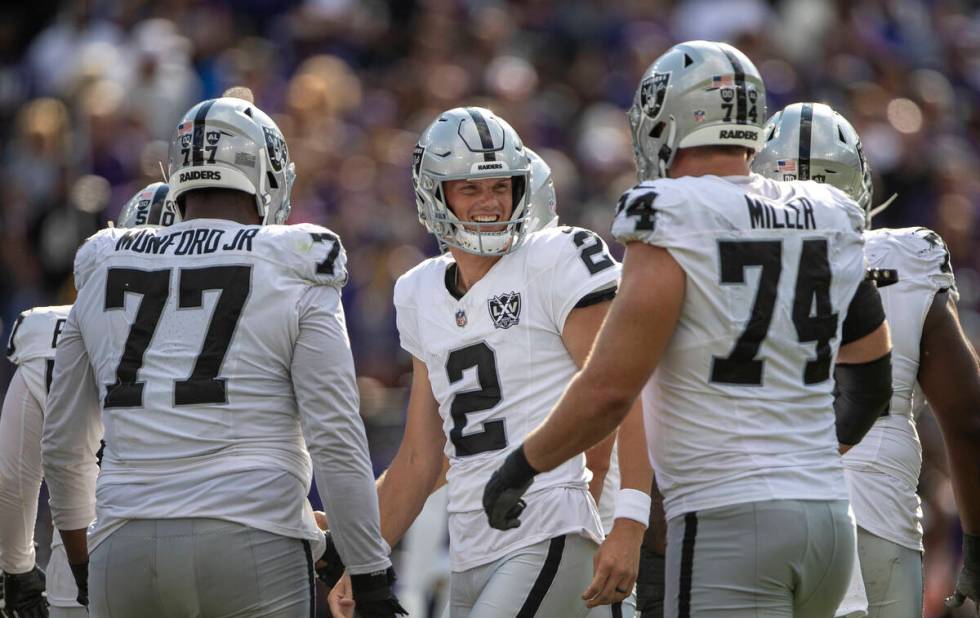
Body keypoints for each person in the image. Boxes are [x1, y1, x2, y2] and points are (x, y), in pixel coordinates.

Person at [483, 40, 895, 617]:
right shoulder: (825, 210)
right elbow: (873, 379)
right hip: (828, 520)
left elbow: (609, 391)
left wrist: (521, 464)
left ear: (667, 121)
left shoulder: (672, 209)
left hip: (731, 522)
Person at [40, 96, 402, 618]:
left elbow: (63, 445)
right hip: (251, 540)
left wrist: (83, 567)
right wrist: (369, 575)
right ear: (266, 175)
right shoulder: (294, 260)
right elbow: (336, 435)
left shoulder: (105, 259)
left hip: (125, 546)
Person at [326, 108, 651, 618]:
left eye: (502, 186)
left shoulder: (558, 255)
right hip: (473, 547)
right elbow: (420, 457)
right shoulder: (419, 291)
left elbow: (622, 388)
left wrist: (630, 519)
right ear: (434, 193)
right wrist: (362, 555)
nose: (491, 203)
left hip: (555, 523)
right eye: (470, 189)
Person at [753, 102, 980, 615]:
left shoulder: (714, 259)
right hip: (873, 509)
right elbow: (968, 416)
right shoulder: (904, 258)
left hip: (751, 500)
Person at [0, 183, 177, 618]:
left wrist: (17, 568)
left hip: (84, 565)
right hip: (217, 552)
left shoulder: (54, 335)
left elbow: (13, 476)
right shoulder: (241, 328)